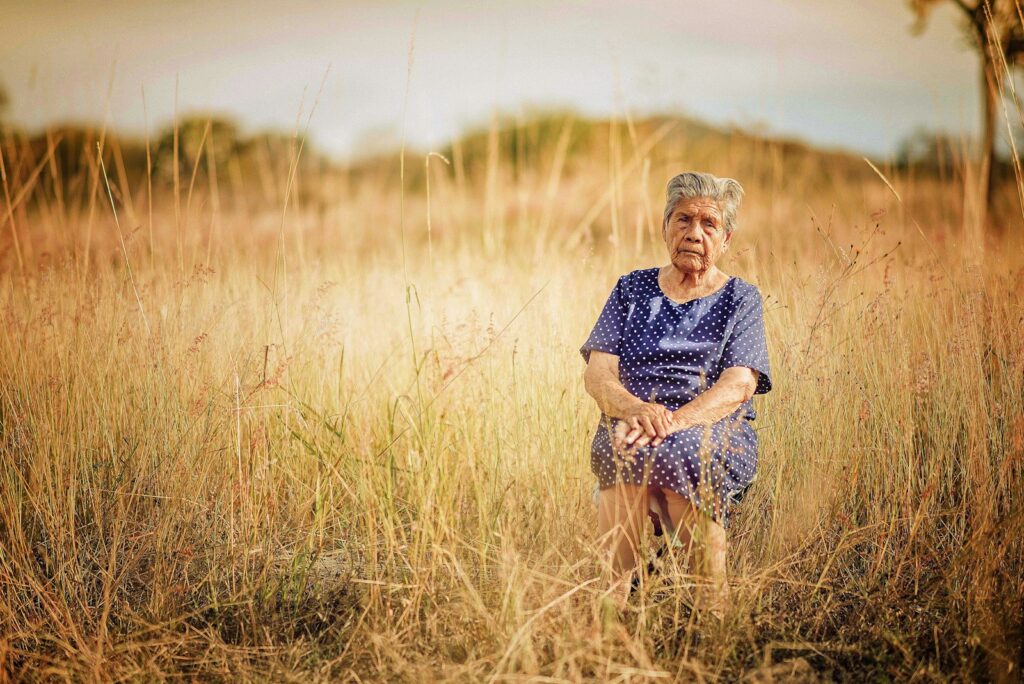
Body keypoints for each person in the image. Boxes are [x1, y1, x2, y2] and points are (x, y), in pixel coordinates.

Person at [580, 171, 772, 616]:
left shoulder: (741, 299)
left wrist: (673, 421)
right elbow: (599, 373)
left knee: (682, 450)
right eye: (683, 219)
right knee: (621, 447)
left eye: (709, 224)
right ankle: (611, 606)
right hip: (634, 424)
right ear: (665, 226)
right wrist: (636, 410)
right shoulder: (632, 289)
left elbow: (740, 383)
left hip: (710, 429)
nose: (694, 232)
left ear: (726, 238)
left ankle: (711, 604)